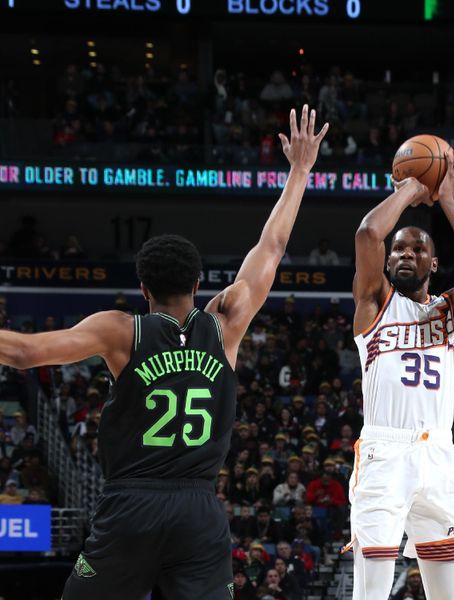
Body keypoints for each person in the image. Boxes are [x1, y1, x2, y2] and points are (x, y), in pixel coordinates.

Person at [0, 105, 328, 600]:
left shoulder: (120, 331)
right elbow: (273, 244)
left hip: (131, 504)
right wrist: (300, 170)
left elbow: (24, 354)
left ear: (142, 287)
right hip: (199, 509)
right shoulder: (225, 323)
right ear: (199, 284)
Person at [346, 148, 454, 600]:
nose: (406, 253)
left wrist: (448, 200)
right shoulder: (374, 303)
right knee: (370, 594)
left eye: (418, 248)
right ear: (388, 262)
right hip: (384, 455)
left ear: (433, 264)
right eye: (399, 249)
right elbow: (369, 230)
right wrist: (411, 188)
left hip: (439, 459)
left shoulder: (451, 311)